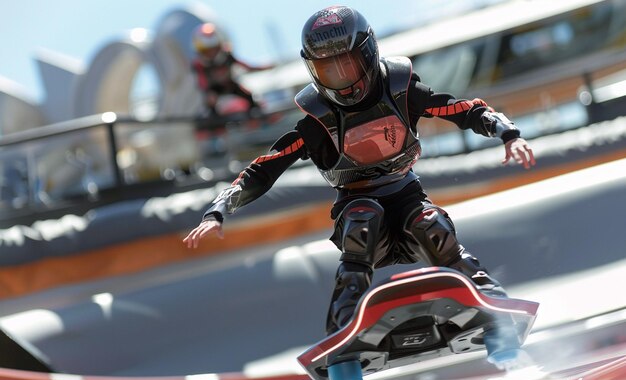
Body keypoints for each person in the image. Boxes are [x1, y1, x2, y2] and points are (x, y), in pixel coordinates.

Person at [183, 6, 536, 335]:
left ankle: (494, 304)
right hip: (357, 202)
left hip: (407, 195)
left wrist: (508, 134)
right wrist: (217, 211)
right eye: (327, 70)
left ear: (367, 55)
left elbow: (464, 109)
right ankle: (343, 335)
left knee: (434, 228)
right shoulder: (316, 122)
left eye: (346, 65)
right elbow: (263, 169)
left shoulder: (400, 89)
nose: (340, 80)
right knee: (361, 226)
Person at [191, 22, 272, 118]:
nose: (211, 54)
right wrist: (208, 94)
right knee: (210, 106)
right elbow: (202, 83)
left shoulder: (227, 56)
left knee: (249, 96)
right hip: (214, 91)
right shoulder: (199, 65)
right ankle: (215, 127)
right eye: (206, 51)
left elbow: (246, 66)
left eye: (213, 49)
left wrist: (264, 68)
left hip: (231, 86)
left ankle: (260, 118)